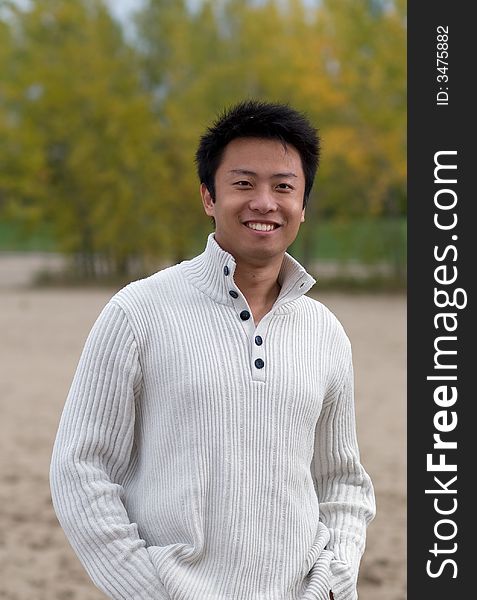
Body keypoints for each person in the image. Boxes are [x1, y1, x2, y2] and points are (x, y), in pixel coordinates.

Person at [50, 99, 375, 600]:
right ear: (208, 196)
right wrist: (147, 590)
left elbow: (343, 483)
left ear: (303, 204)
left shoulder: (325, 332)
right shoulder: (138, 312)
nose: (264, 202)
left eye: (283, 187)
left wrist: (333, 579)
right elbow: (81, 468)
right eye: (243, 184)